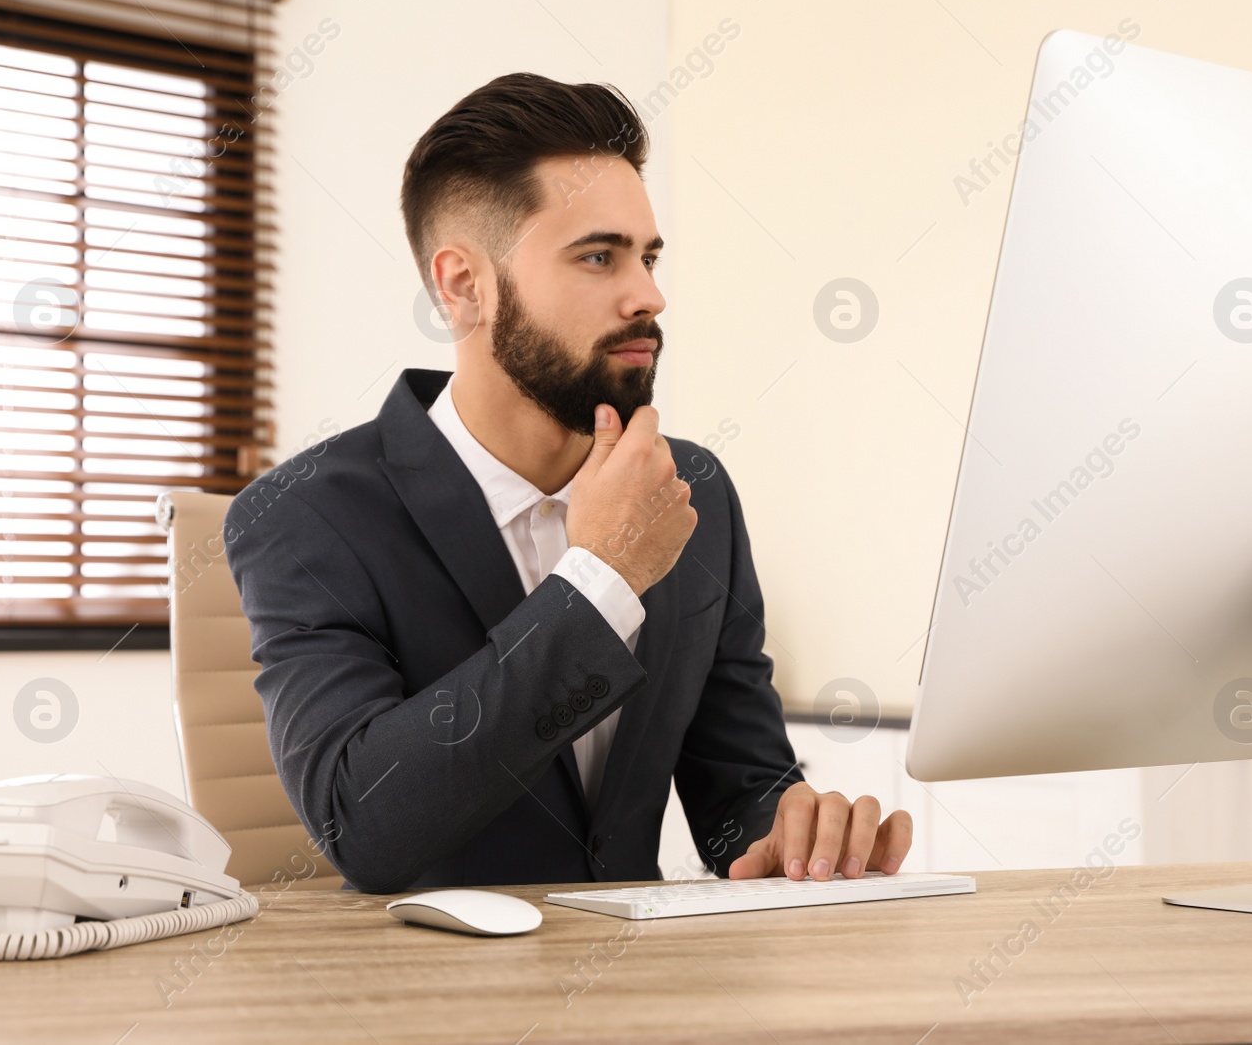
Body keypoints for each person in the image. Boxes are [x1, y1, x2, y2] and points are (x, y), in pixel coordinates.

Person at [224, 72, 912, 892]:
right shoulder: (302, 517)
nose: (648, 295)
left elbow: (738, 789)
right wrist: (601, 577)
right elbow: (365, 828)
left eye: (648, 256)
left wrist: (792, 837)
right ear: (464, 285)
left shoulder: (693, 487)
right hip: (427, 1001)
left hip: (644, 997)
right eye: (598, 256)